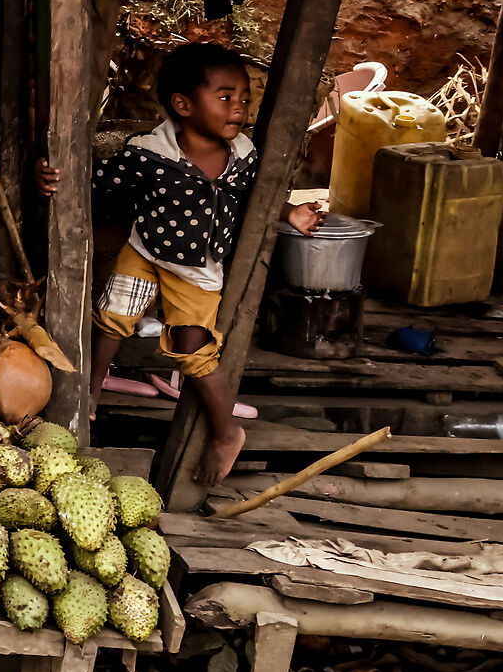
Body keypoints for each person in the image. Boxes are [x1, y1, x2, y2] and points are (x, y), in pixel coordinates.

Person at [40, 41, 324, 485]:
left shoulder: (244, 156)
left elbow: (258, 198)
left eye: (245, 98)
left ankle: (227, 431)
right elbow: (94, 185)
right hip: (145, 251)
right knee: (112, 318)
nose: (240, 108)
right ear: (183, 104)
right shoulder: (149, 153)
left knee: (192, 346)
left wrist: (291, 212)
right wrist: (52, 183)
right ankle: (90, 393)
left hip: (197, 268)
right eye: (226, 97)